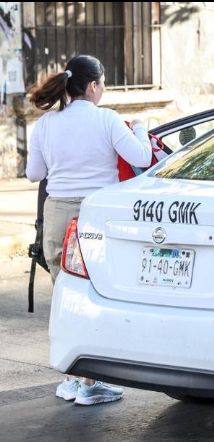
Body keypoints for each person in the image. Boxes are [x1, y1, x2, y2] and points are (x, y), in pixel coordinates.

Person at [26, 54, 153, 405]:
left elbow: (35, 174)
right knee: (98, 297)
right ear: (94, 85)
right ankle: (90, 382)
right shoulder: (107, 120)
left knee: (67, 297)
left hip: (57, 216)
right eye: (103, 83)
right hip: (96, 216)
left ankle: (73, 377)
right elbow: (142, 157)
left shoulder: (47, 125)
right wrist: (140, 126)